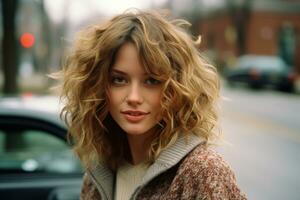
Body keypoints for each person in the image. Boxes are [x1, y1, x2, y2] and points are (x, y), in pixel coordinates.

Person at [57, 9, 247, 200]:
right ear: (97, 87)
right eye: (119, 80)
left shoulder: (202, 172)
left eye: (151, 81)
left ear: (177, 88)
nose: (134, 97)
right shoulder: (97, 176)